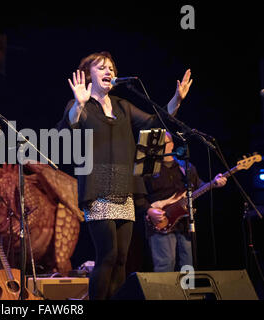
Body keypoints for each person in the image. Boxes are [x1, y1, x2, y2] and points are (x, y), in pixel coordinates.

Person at [56, 51, 193, 300]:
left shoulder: (122, 106)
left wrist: (177, 100)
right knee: (107, 256)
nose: (109, 71)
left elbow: (155, 121)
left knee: (121, 260)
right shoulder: (83, 104)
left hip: (124, 190)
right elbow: (69, 127)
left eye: (111, 68)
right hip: (97, 190)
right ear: (88, 74)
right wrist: (79, 103)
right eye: (102, 67)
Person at [143, 131, 227, 272]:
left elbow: (199, 186)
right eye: (158, 144)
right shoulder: (148, 169)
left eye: (165, 143)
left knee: (188, 265)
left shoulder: (185, 167)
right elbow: (139, 195)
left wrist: (214, 183)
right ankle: (164, 294)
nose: (161, 147)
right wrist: (149, 209)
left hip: (184, 222)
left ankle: (187, 293)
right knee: (165, 264)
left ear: (172, 145)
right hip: (160, 221)